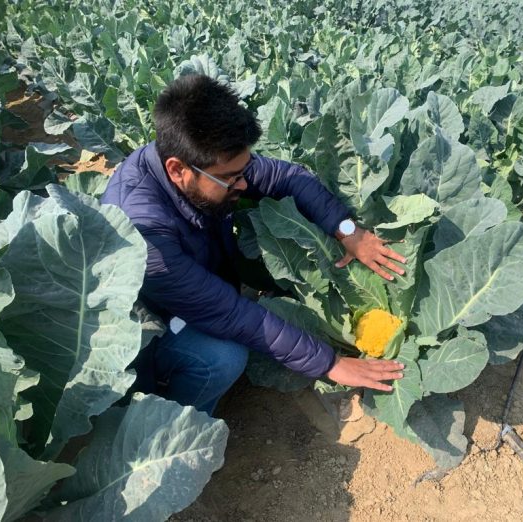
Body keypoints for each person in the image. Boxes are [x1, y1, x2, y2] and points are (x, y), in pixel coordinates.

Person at [101, 74, 405, 415]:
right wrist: (330, 362)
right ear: (177, 170)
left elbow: (289, 177)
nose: (244, 183)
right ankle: (166, 423)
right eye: (232, 177)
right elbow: (229, 312)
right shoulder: (143, 233)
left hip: (201, 284)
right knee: (222, 358)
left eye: (244, 169)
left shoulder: (202, 159)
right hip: (151, 326)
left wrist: (349, 232)